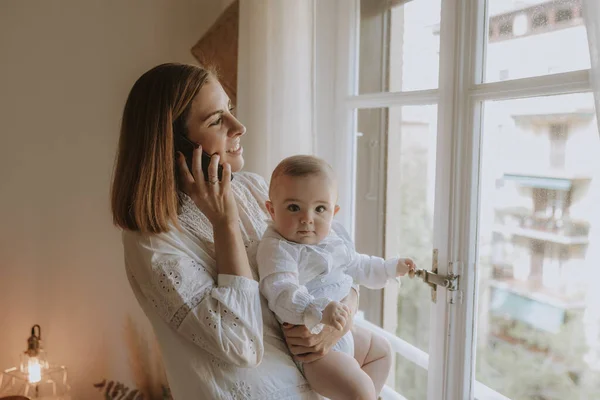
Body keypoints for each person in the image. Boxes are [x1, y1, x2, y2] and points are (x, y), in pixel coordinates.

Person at [110, 63, 360, 399]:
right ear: (175, 146)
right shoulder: (154, 245)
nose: (239, 126)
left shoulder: (254, 188)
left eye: (231, 109)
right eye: (216, 120)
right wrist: (224, 224)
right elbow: (241, 344)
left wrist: (337, 322)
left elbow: (333, 262)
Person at [257, 155, 416, 400]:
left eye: (320, 209)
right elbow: (281, 291)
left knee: (382, 351)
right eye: (293, 207)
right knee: (359, 390)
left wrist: (390, 268)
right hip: (313, 351)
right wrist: (317, 309)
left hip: (344, 333)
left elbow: (357, 264)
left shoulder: (333, 237)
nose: (307, 218)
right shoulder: (278, 249)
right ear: (271, 209)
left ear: (334, 212)